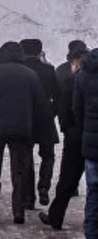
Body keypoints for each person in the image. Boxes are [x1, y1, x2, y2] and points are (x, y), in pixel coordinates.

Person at [0, 41, 49, 225]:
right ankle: (19, 211)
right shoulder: (30, 75)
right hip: (21, 128)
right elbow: (40, 103)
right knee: (19, 170)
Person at [41, 44, 88, 230]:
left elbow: (64, 110)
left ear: (74, 61)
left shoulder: (71, 80)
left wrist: (66, 128)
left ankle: (56, 217)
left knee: (67, 179)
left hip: (75, 137)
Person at [20, 38, 59, 208]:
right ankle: (44, 186)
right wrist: (52, 112)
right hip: (45, 117)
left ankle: (28, 198)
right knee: (48, 155)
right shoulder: (49, 70)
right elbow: (59, 96)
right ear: (39, 52)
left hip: (24, 118)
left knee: (26, 158)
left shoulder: (20, 71)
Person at [74, 47, 98, 237]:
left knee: (93, 193)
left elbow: (77, 108)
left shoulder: (83, 75)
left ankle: (91, 233)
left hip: (91, 143)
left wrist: (86, 130)